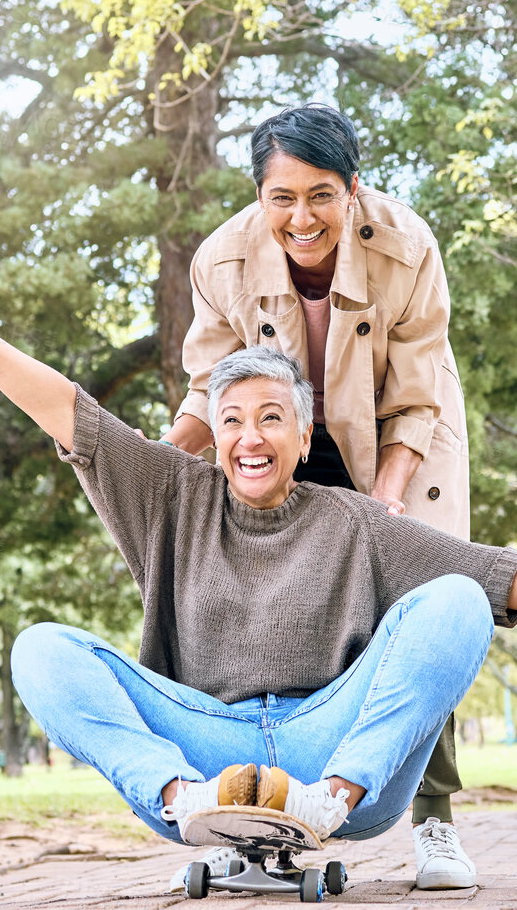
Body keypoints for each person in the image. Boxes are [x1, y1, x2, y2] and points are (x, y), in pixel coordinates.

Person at [0, 248, 517, 860]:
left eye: (271, 417)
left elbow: (497, 573)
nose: (250, 436)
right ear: (213, 432)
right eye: (233, 419)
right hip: (207, 746)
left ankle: (327, 803)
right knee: (41, 648)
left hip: (331, 749)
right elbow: (67, 409)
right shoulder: (169, 495)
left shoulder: (354, 521)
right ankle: (186, 802)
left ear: (303, 430)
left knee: (458, 599)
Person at [162, 104, 482, 885]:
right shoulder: (222, 260)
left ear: (353, 189)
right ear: (259, 196)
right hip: (281, 437)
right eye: (283, 198)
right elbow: (210, 388)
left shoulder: (405, 248)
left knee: (420, 599)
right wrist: (156, 474)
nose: (302, 218)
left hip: (401, 432)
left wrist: (385, 503)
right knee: (246, 601)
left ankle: (434, 821)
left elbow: (415, 394)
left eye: (321, 196)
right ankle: (250, 821)